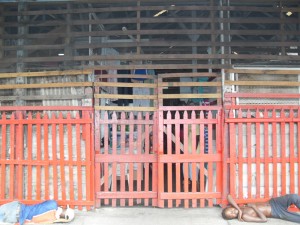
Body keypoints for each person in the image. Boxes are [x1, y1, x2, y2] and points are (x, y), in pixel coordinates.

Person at [222, 194, 300, 223]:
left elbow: (228, 196)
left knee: (294, 197)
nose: (233, 212)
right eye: (231, 215)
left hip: (274, 202)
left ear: (231, 207)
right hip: (276, 212)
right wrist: (254, 207)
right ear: (232, 218)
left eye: (231, 210)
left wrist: (238, 209)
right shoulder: (244, 216)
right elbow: (264, 220)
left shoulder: (240, 207)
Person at [0, 199, 75, 225]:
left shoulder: (53, 203)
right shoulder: (50, 219)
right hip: (16, 216)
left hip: (16, 206)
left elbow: (42, 204)